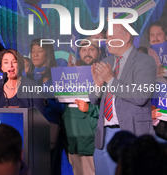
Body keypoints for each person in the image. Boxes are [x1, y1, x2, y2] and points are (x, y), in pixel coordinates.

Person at [89, 24, 156, 175]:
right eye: (107, 38)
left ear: (126, 37)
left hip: (132, 133)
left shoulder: (145, 62)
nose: (106, 41)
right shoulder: (106, 61)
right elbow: (93, 100)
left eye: (111, 38)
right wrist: (98, 86)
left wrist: (110, 79)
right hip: (104, 136)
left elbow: (141, 97)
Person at [26, 38, 64, 175]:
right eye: (33, 51)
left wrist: (45, 100)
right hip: (29, 131)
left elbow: (62, 108)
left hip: (50, 132)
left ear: (47, 54)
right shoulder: (27, 77)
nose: (35, 55)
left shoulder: (57, 76)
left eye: (39, 51)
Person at [63, 38, 100, 175]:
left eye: (91, 49)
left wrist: (89, 109)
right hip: (72, 141)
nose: (87, 53)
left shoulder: (104, 75)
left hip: (91, 144)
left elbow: (110, 109)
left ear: (99, 51)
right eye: (83, 50)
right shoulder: (68, 75)